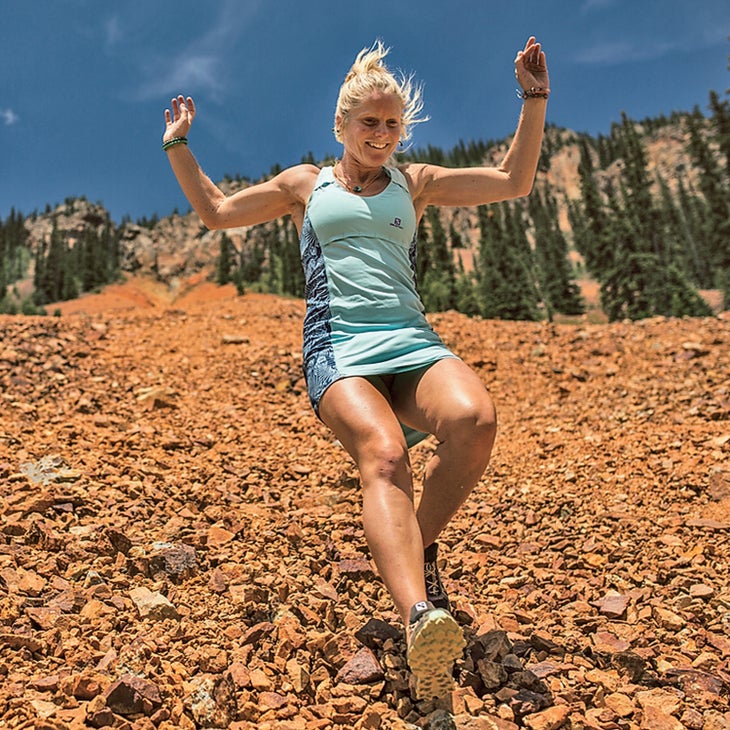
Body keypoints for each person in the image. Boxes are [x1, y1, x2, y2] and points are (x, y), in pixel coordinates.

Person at [162, 36, 549, 700]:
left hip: (411, 340)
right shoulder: (304, 185)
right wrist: (179, 146)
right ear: (340, 126)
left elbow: (514, 180)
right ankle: (419, 617)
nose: (382, 133)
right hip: (339, 349)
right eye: (369, 122)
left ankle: (413, 544)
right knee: (385, 453)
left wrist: (534, 98)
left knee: (474, 419)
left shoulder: (415, 181)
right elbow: (217, 213)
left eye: (392, 123)